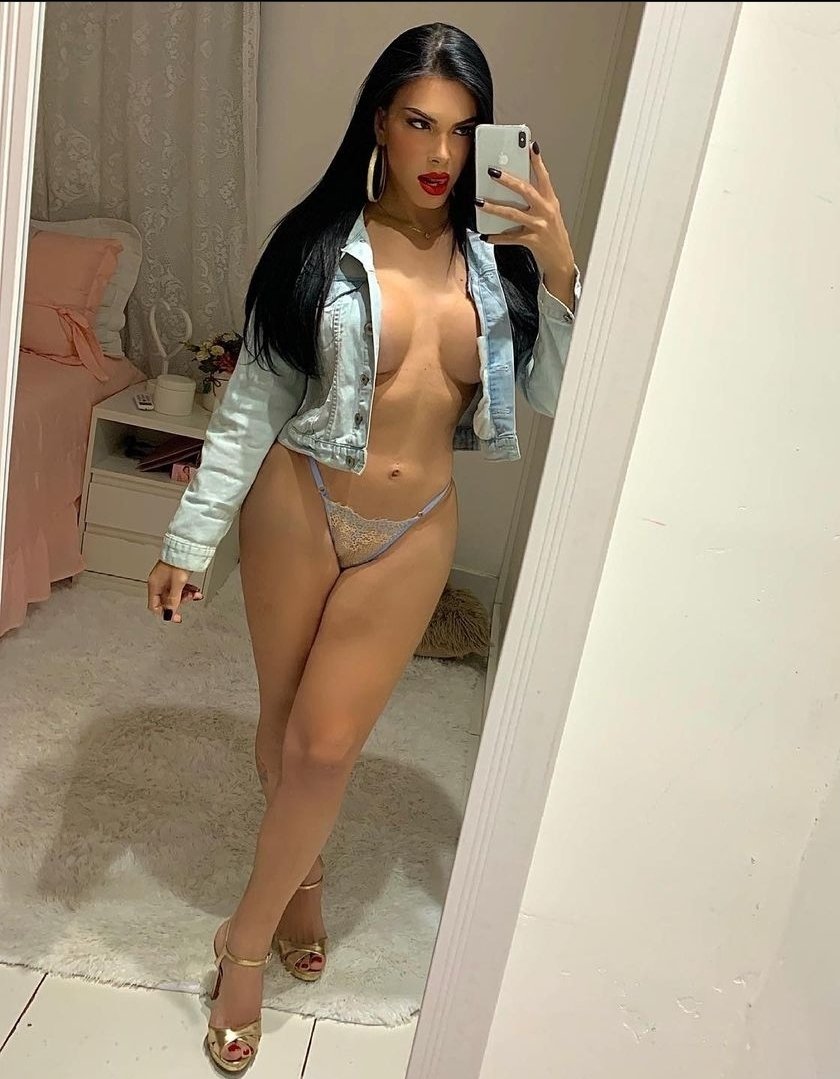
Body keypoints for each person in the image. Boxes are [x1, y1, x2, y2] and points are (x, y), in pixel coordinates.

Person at [146, 21, 580, 1074]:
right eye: (420, 123)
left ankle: (242, 942)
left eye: (463, 132)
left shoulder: (502, 264)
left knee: (328, 743)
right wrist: (189, 537)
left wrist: (563, 272)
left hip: (413, 528)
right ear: (380, 122)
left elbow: (559, 395)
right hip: (300, 499)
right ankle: (302, 880)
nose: (441, 154)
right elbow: (253, 402)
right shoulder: (316, 245)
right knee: (286, 727)